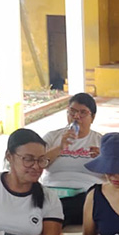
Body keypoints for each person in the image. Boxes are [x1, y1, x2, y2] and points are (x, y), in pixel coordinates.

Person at [42, 92, 103, 226]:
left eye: (83, 113)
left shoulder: (101, 141)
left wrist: (104, 159)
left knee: (80, 205)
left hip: (86, 193)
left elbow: (116, 176)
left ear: (92, 117)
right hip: (52, 191)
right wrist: (59, 147)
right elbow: (38, 163)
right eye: (72, 112)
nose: (76, 116)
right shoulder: (52, 137)